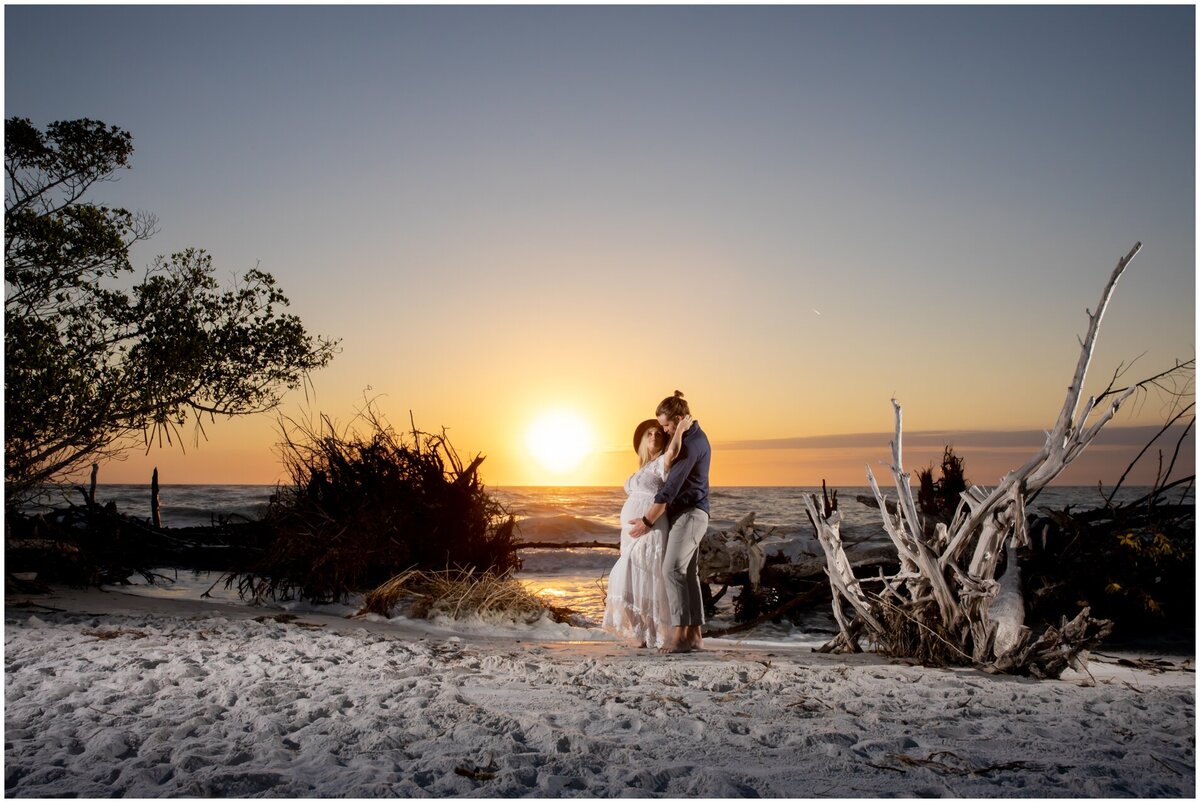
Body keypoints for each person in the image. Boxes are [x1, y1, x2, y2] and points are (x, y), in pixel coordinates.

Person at [627, 391, 711, 653]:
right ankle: (694, 635)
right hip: (687, 514)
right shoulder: (690, 436)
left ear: (679, 419)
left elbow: (670, 489)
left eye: (666, 425)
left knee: (671, 571)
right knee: (686, 573)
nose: (663, 431)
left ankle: (678, 635)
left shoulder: (689, 444)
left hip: (690, 514)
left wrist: (647, 521)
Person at [602, 414, 693, 648]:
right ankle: (642, 634)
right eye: (649, 434)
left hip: (650, 527)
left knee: (643, 577)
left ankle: (655, 634)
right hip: (631, 533)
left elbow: (673, 453)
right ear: (642, 441)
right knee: (629, 580)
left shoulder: (663, 461)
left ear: (664, 440)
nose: (653, 436)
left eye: (658, 434)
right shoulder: (642, 468)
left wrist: (680, 430)